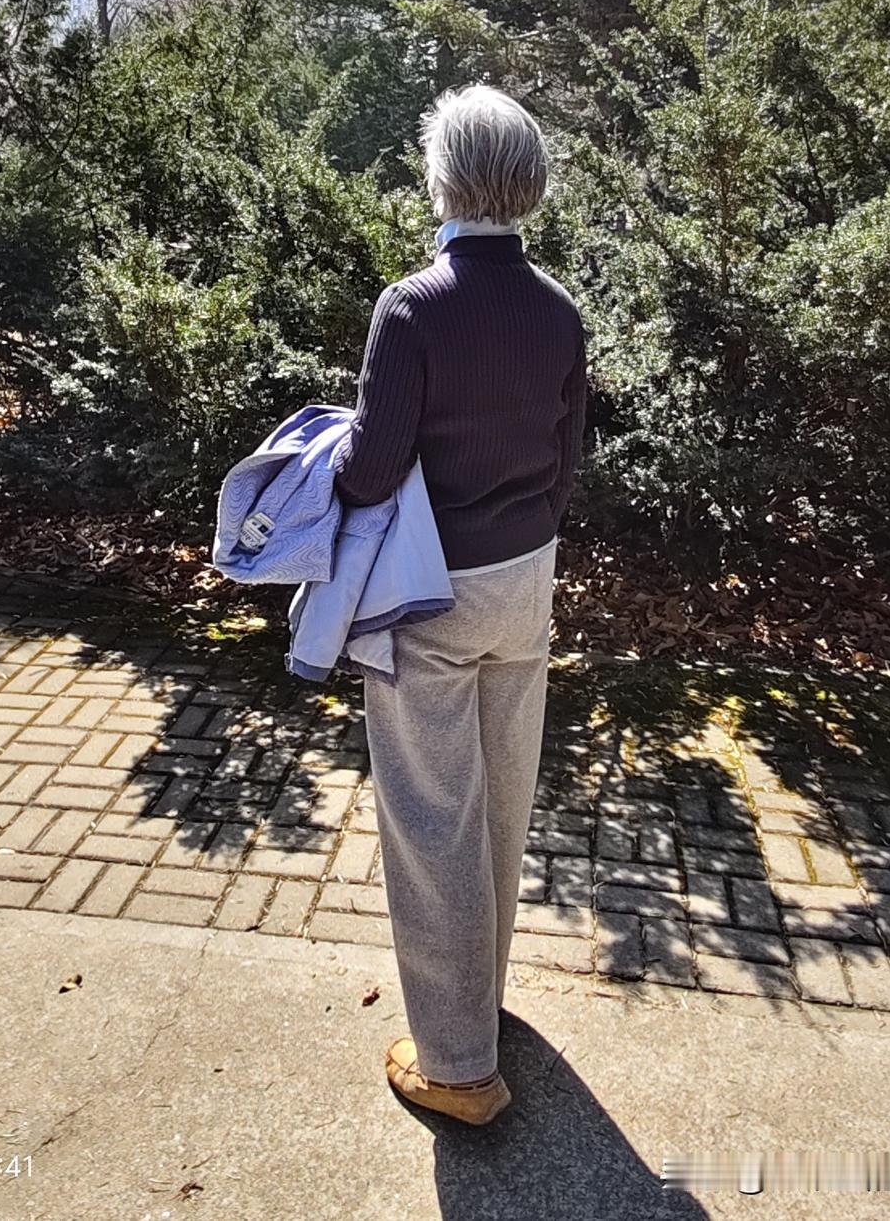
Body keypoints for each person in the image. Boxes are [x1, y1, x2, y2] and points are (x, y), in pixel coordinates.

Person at [333, 81, 588, 1126]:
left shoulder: (412, 305)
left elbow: (368, 469)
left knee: (432, 813)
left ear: (440, 178)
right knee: (501, 788)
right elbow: (568, 458)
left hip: (427, 590)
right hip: (525, 574)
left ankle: (455, 1064)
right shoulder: (559, 307)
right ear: (526, 182)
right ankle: (477, 999)